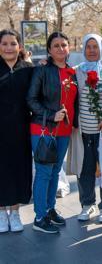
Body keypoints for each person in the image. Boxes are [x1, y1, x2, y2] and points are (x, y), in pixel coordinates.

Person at [67, 33, 102, 223]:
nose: (91, 50)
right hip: (83, 132)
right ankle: (87, 204)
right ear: (83, 49)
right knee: (85, 169)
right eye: (88, 47)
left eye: (95, 47)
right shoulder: (76, 71)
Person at [27, 32, 78, 234]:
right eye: (55, 45)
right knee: (44, 172)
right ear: (49, 50)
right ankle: (39, 217)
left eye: (64, 45)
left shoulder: (72, 72)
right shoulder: (42, 71)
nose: (60, 49)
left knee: (56, 172)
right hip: (43, 128)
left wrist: (73, 122)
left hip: (65, 131)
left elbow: (74, 101)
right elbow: (31, 99)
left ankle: (50, 209)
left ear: (69, 48)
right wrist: (50, 115)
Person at [0, 29, 33, 233]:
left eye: (13, 43)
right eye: (4, 43)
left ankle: (16, 211)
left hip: (21, 129)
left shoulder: (28, 69)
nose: (9, 47)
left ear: (20, 46)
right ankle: (2, 213)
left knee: (20, 169)